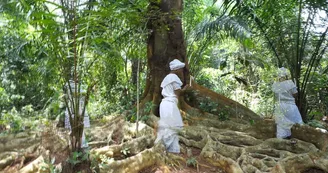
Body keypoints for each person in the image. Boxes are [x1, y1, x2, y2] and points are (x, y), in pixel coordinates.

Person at [155, 59, 188, 153]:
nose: (181, 71)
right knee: (173, 127)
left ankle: (168, 149)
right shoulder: (174, 77)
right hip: (170, 105)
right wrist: (185, 89)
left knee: (167, 127)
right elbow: (178, 93)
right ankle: (168, 149)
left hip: (164, 104)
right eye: (181, 69)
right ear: (176, 69)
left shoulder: (167, 78)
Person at [272, 67, 303, 139]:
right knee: (296, 122)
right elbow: (295, 94)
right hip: (290, 105)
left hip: (279, 106)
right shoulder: (290, 83)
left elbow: (276, 97)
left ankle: (282, 140)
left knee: (281, 124)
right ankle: (295, 139)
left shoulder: (275, 85)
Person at [65, 80, 90, 148]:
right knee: (73, 129)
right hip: (73, 111)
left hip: (79, 110)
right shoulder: (69, 85)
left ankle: (80, 145)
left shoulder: (79, 87)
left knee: (80, 129)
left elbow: (83, 98)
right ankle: (75, 146)